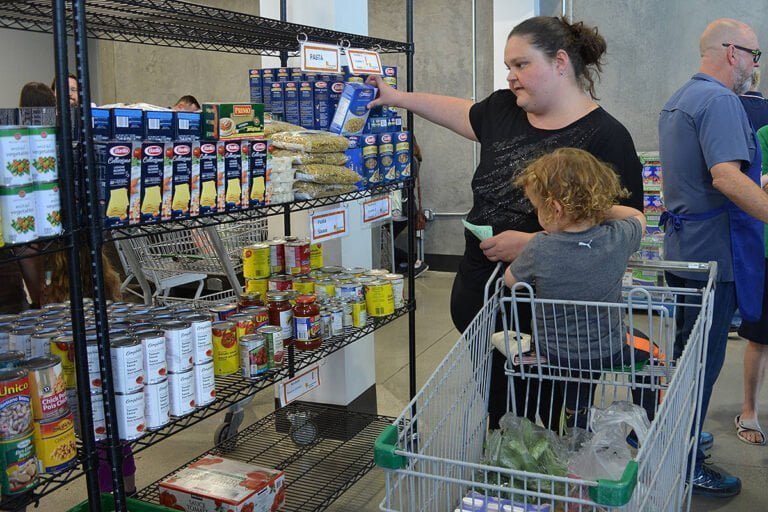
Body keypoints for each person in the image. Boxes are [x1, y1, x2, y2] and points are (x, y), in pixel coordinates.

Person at [366, 16, 643, 430]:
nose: (511, 76)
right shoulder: (503, 109)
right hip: (482, 289)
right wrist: (397, 98)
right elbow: (461, 113)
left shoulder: (606, 136)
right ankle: (505, 453)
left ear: (560, 62)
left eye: (521, 65)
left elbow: (627, 227)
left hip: (557, 314)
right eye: (508, 67)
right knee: (502, 407)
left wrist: (536, 244)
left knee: (553, 415)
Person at [659, 18, 768, 497]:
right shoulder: (721, 101)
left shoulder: (681, 98)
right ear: (731, 52)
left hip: (685, 252)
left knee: (687, 356)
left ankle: (679, 431)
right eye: (753, 55)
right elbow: (726, 177)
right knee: (701, 363)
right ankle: (684, 461)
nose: (754, 66)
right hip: (713, 257)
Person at [505, 148, 647, 428]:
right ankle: (646, 423)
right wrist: (596, 209)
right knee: (656, 359)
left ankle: (575, 422)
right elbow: (638, 218)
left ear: (555, 209)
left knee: (576, 376)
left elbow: (511, 280)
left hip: (553, 350)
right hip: (607, 348)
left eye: (537, 207)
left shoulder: (540, 247)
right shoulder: (617, 237)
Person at [735, 69, 768, 446]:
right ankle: (749, 410)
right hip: (766, 250)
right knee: (760, 336)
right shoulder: (764, 135)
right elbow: (754, 186)